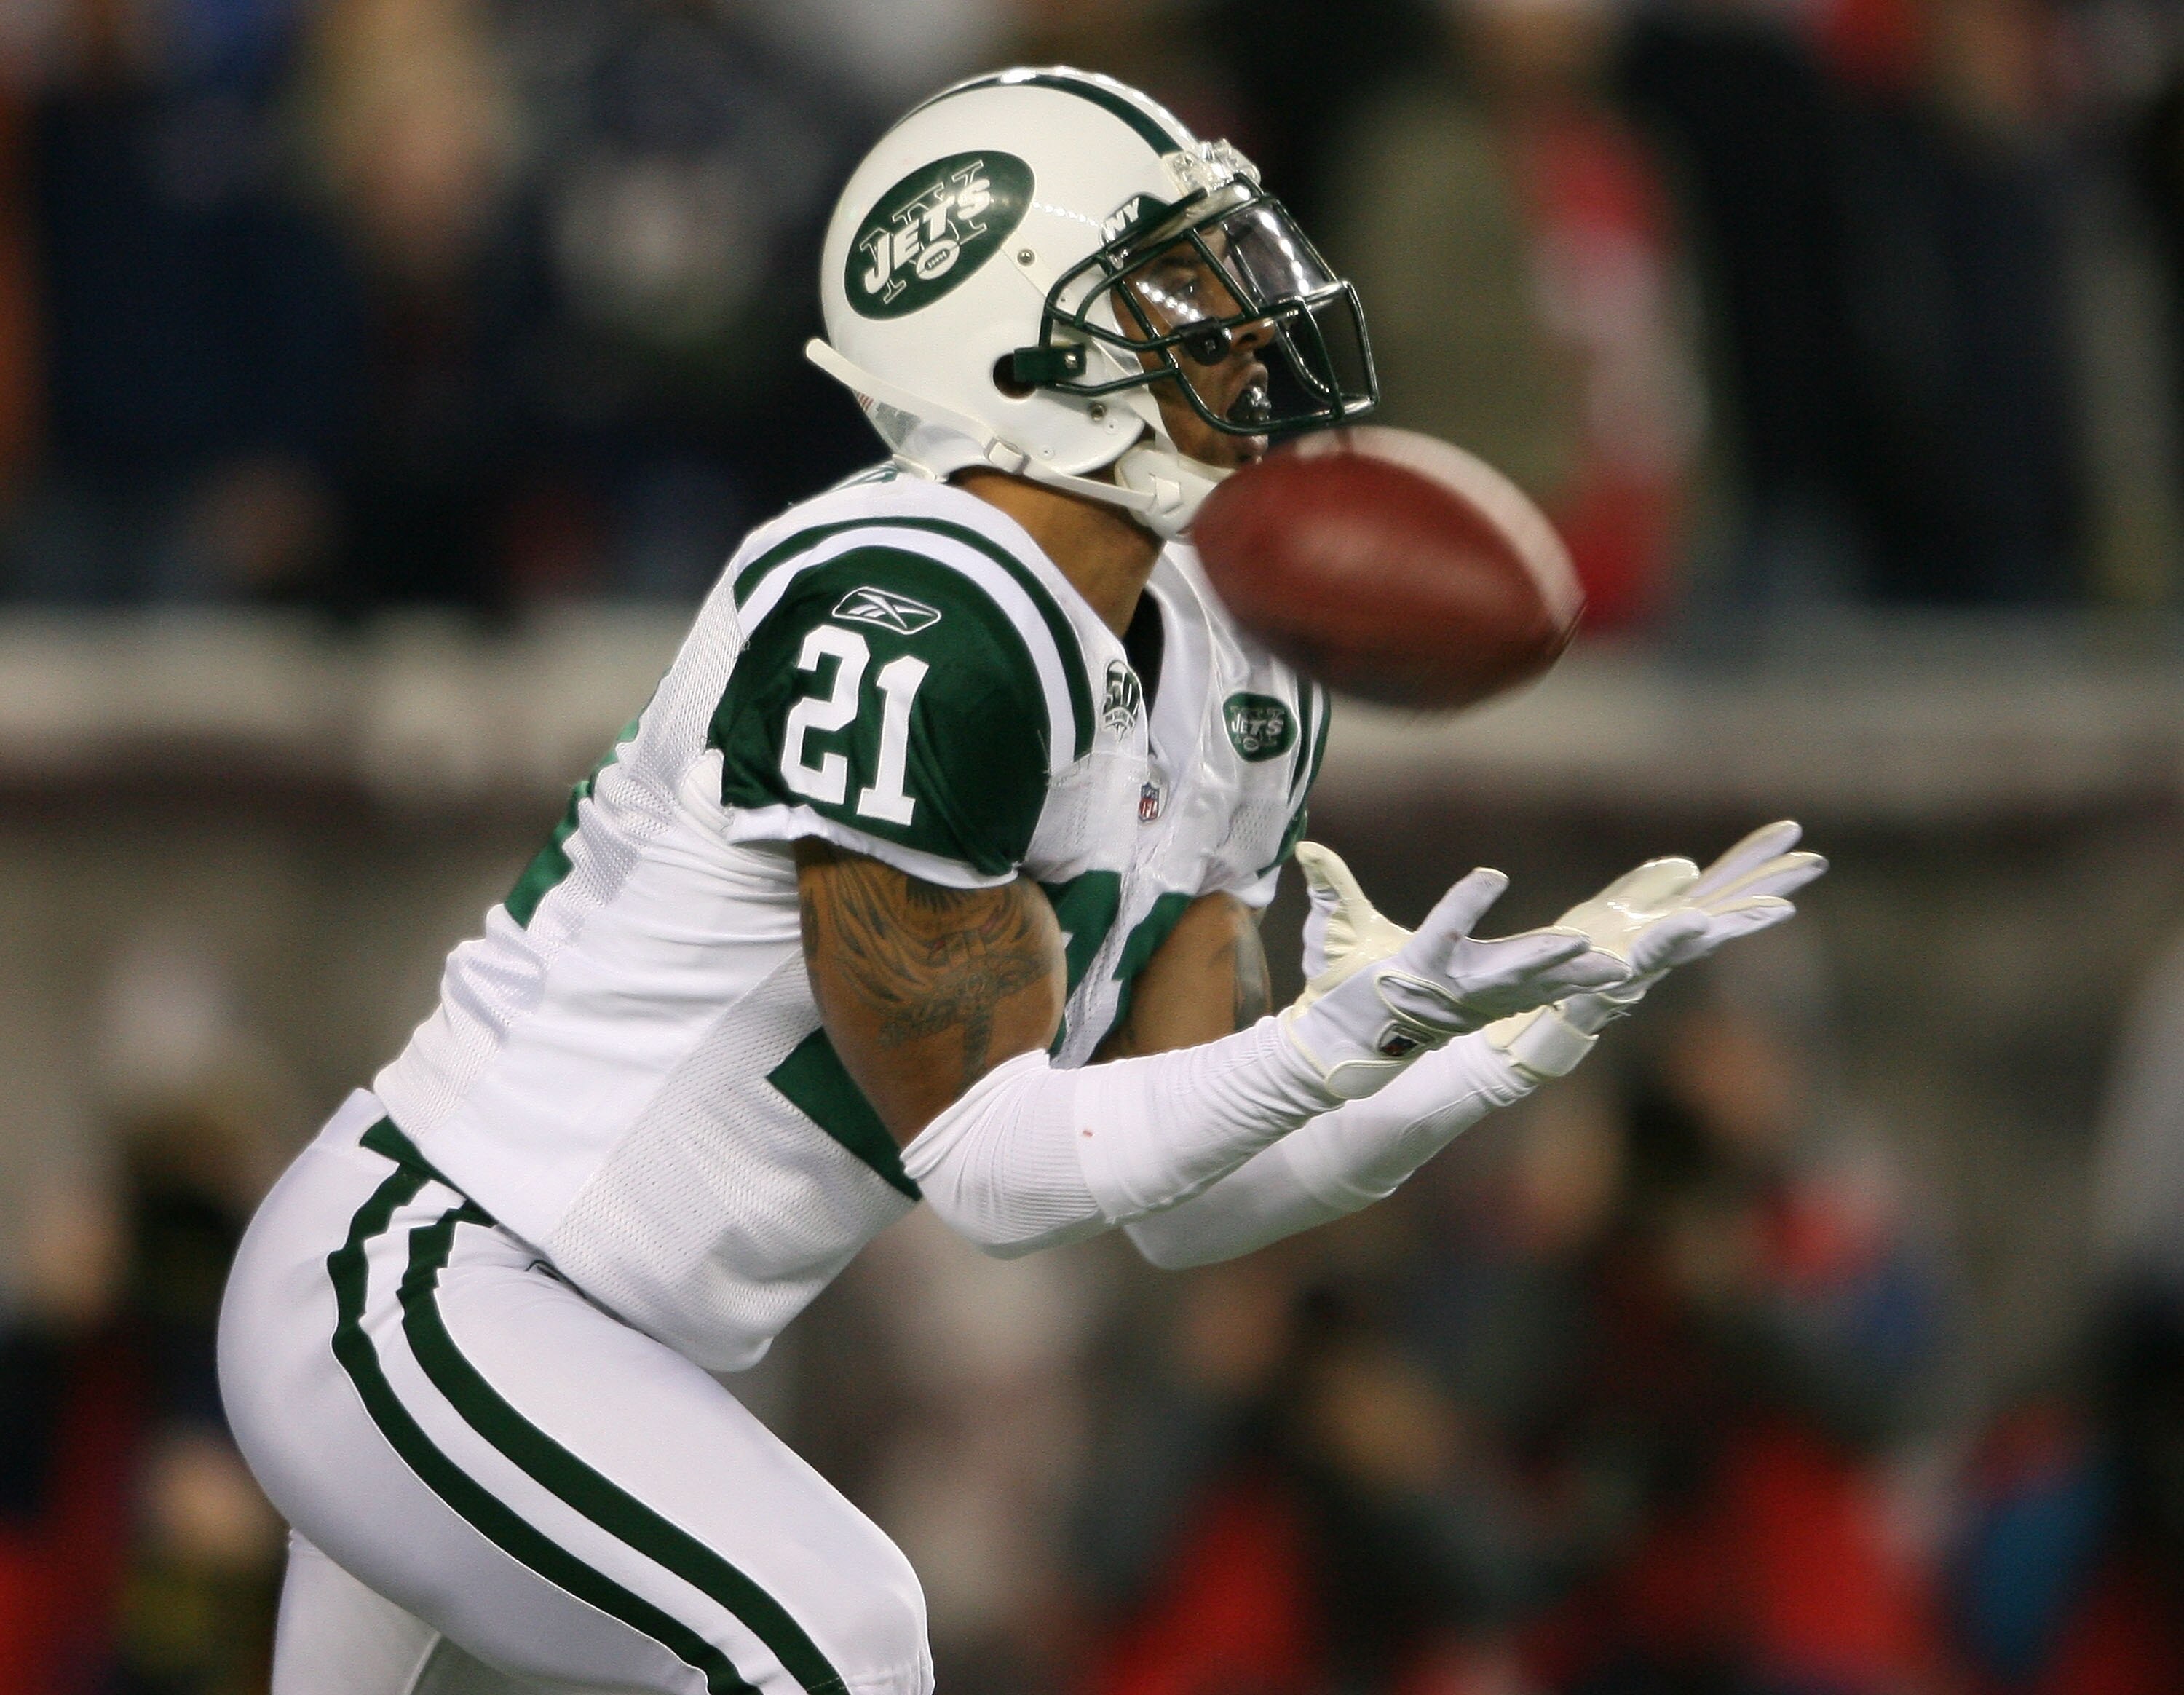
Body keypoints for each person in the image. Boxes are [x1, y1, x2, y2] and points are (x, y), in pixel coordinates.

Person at [215, 68, 1824, 1695]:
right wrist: (1335, 1041)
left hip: (604, 1354)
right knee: (837, 1634)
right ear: (1010, 347)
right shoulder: (916, 611)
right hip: (436, 1279)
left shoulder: (1235, 660)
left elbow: (1183, 1198)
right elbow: (990, 1169)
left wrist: (1469, 1061)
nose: (1244, 326)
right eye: (1173, 282)